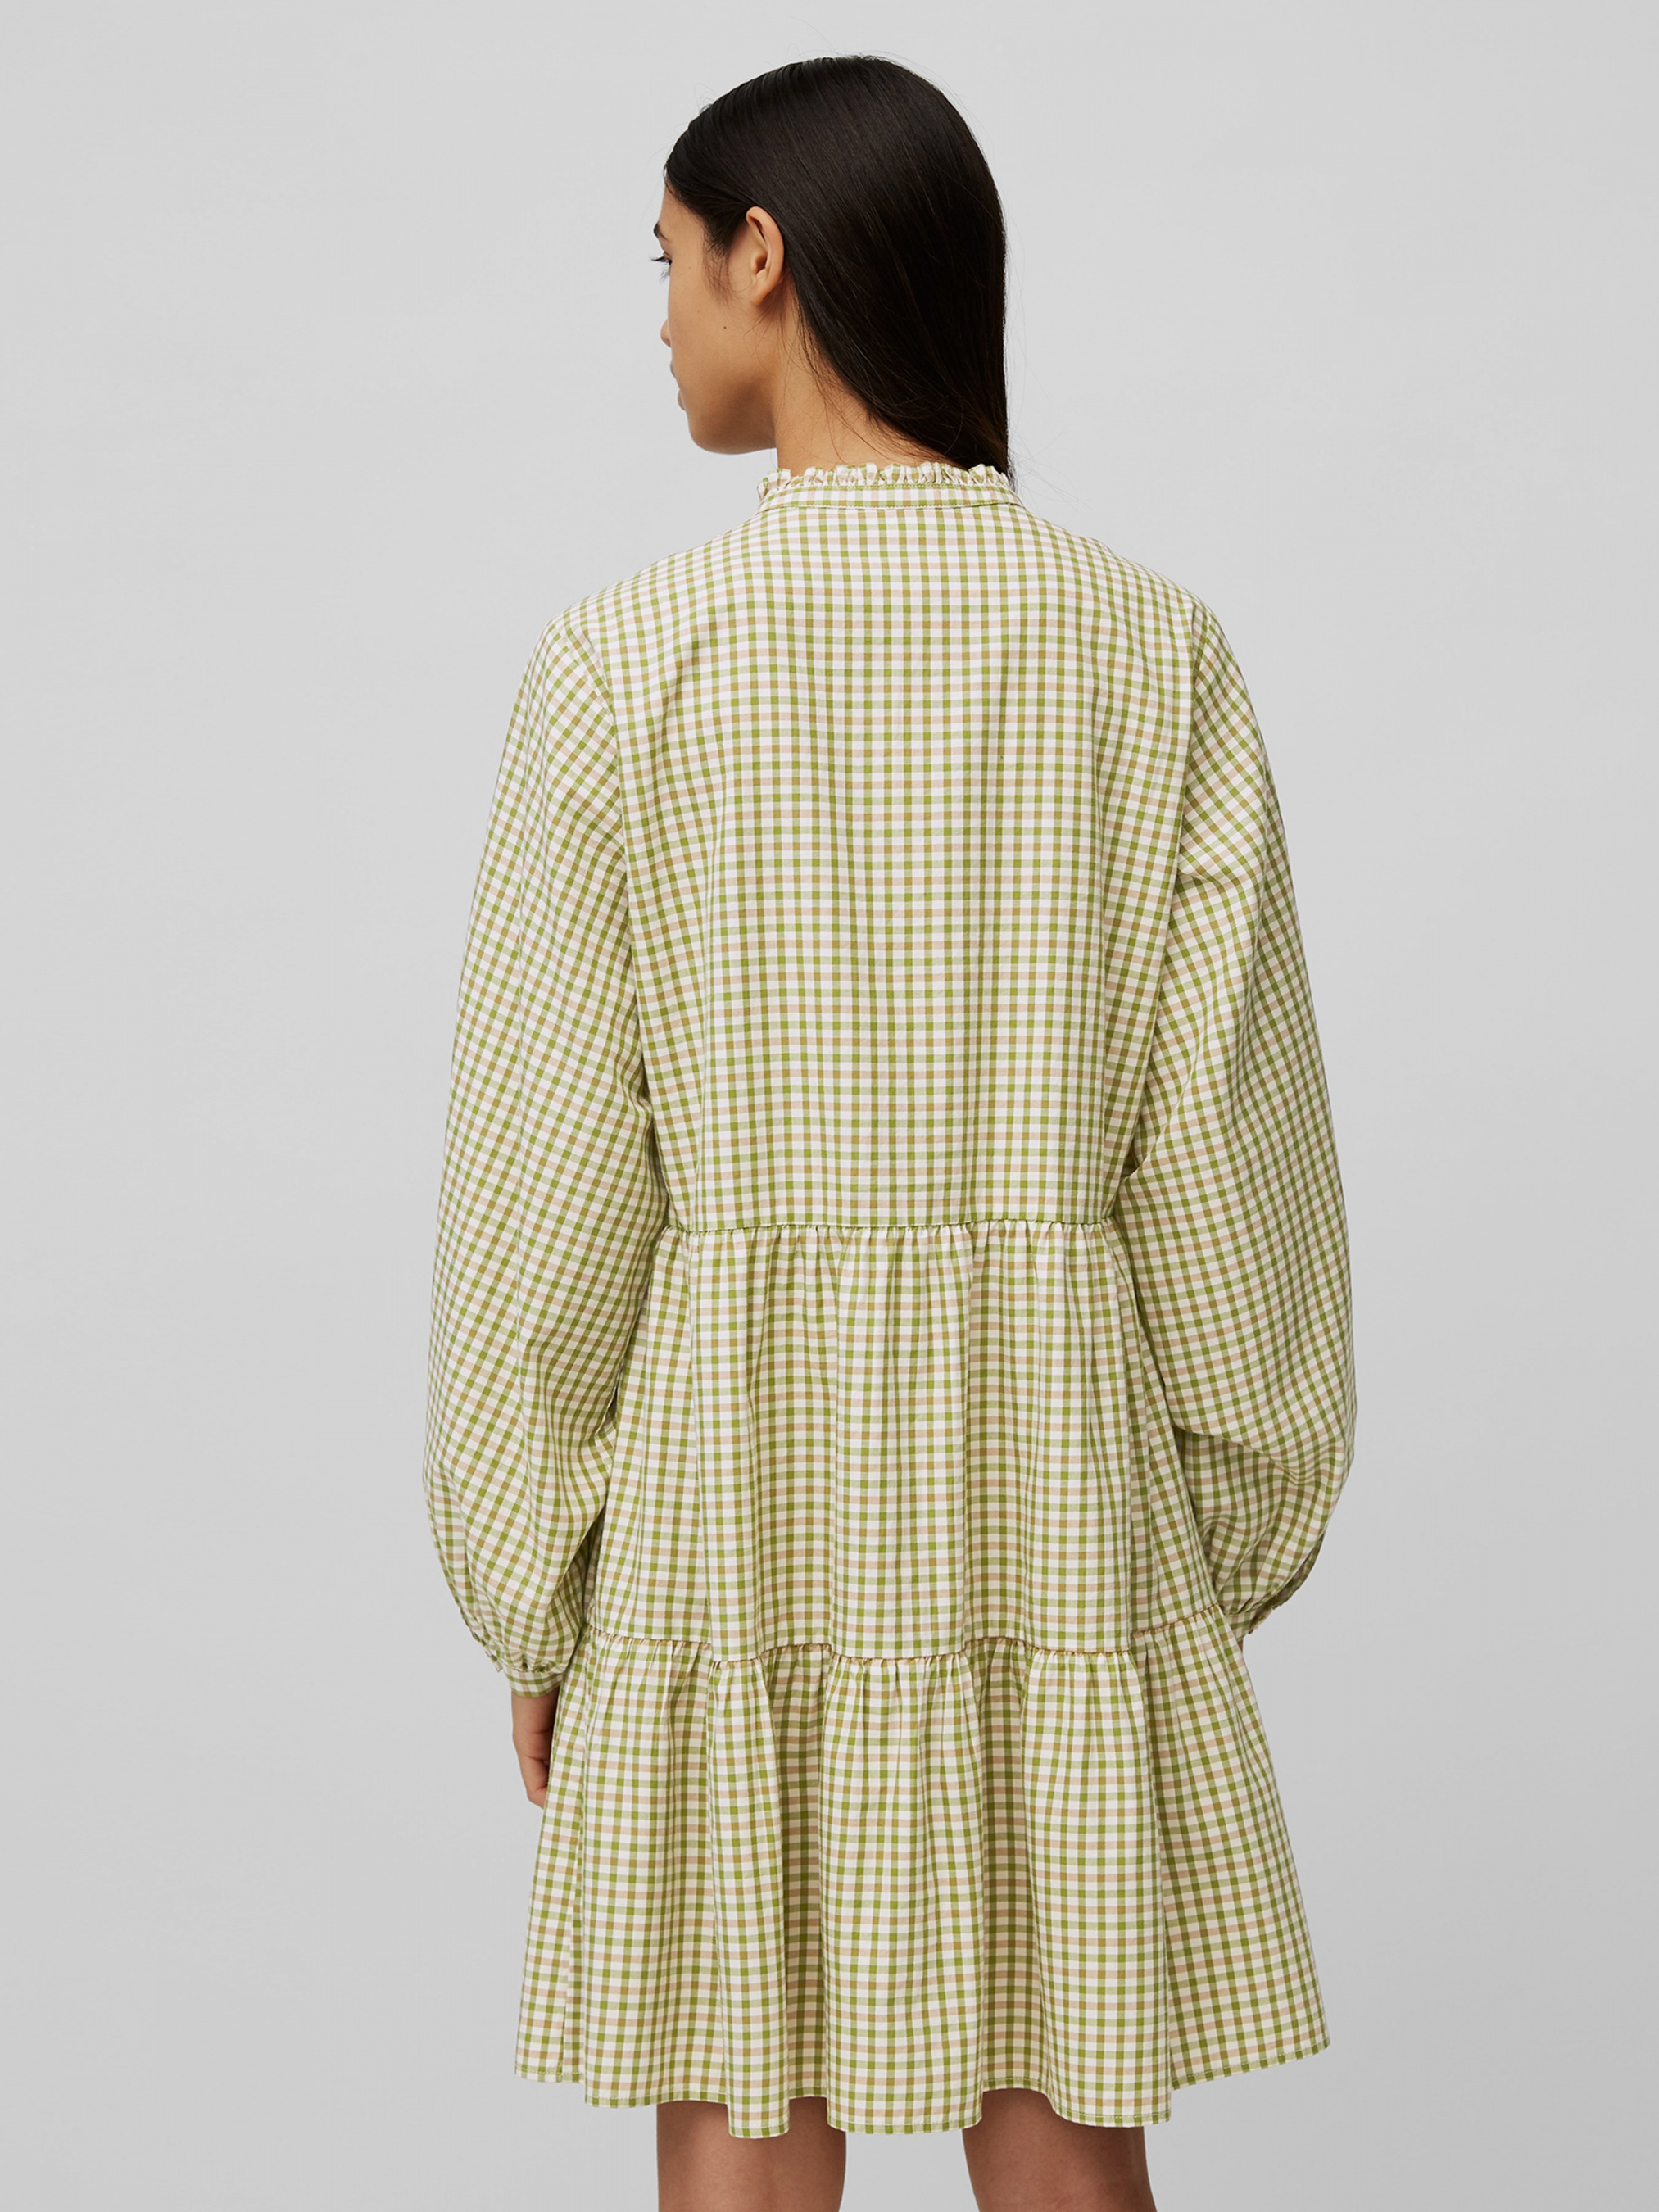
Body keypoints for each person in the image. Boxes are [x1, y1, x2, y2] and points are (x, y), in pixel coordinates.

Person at [424, 53, 1356, 2212]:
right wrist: (1190, 1547)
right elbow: (1236, 1165)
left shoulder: (620, 666)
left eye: (669, 261)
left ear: (765, 258)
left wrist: (542, 1592)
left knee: (742, 2126)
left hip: (729, 1489)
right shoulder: (1151, 655)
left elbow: (544, 1187)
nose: (660, 318)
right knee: (1062, 2116)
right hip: (1054, 1481)